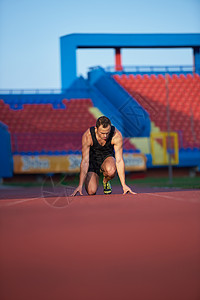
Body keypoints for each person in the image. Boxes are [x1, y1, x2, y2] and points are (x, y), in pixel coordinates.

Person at [71, 116, 136, 196]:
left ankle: (106, 181)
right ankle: (94, 177)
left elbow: (119, 161)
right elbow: (85, 161)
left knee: (111, 170)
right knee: (91, 191)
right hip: (92, 161)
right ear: (96, 129)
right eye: (102, 133)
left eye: (107, 133)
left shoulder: (116, 135)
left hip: (107, 158)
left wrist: (124, 185)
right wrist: (80, 185)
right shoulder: (88, 136)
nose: (105, 136)